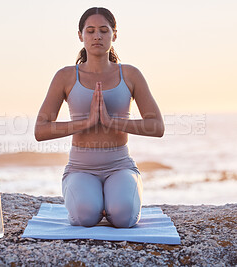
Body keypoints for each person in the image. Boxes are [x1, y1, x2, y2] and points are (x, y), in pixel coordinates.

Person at [34, 7, 164, 228]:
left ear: (114, 34)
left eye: (104, 30)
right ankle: (95, 200)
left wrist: (112, 121)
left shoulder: (130, 74)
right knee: (85, 217)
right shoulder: (65, 76)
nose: (97, 36)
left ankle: (114, 200)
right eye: (91, 30)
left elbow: (157, 126)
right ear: (80, 35)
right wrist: (86, 122)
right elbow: (40, 130)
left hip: (120, 166)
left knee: (124, 217)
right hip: (80, 168)